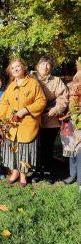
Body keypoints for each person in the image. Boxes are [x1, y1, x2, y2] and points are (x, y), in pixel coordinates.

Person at [0, 58, 46, 187]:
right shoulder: (10, 87)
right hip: (12, 126)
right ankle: (15, 172)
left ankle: (23, 174)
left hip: (27, 126)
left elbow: (41, 101)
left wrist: (26, 110)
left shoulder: (33, 83)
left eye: (18, 66)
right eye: (13, 67)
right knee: (14, 149)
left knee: (24, 150)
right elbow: (4, 104)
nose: (15, 69)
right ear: (10, 71)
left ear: (24, 68)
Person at [36, 56, 69, 183]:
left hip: (50, 119)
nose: (45, 67)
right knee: (36, 146)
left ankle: (48, 171)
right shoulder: (32, 80)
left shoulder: (57, 80)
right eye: (43, 64)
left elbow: (63, 97)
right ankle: (37, 170)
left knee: (48, 146)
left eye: (48, 65)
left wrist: (57, 109)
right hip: (34, 119)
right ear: (38, 66)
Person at [60, 59, 81, 193]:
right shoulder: (71, 85)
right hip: (69, 121)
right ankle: (73, 175)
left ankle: (80, 181)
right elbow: (66, 101)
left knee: (80, 151)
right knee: (71, 149)